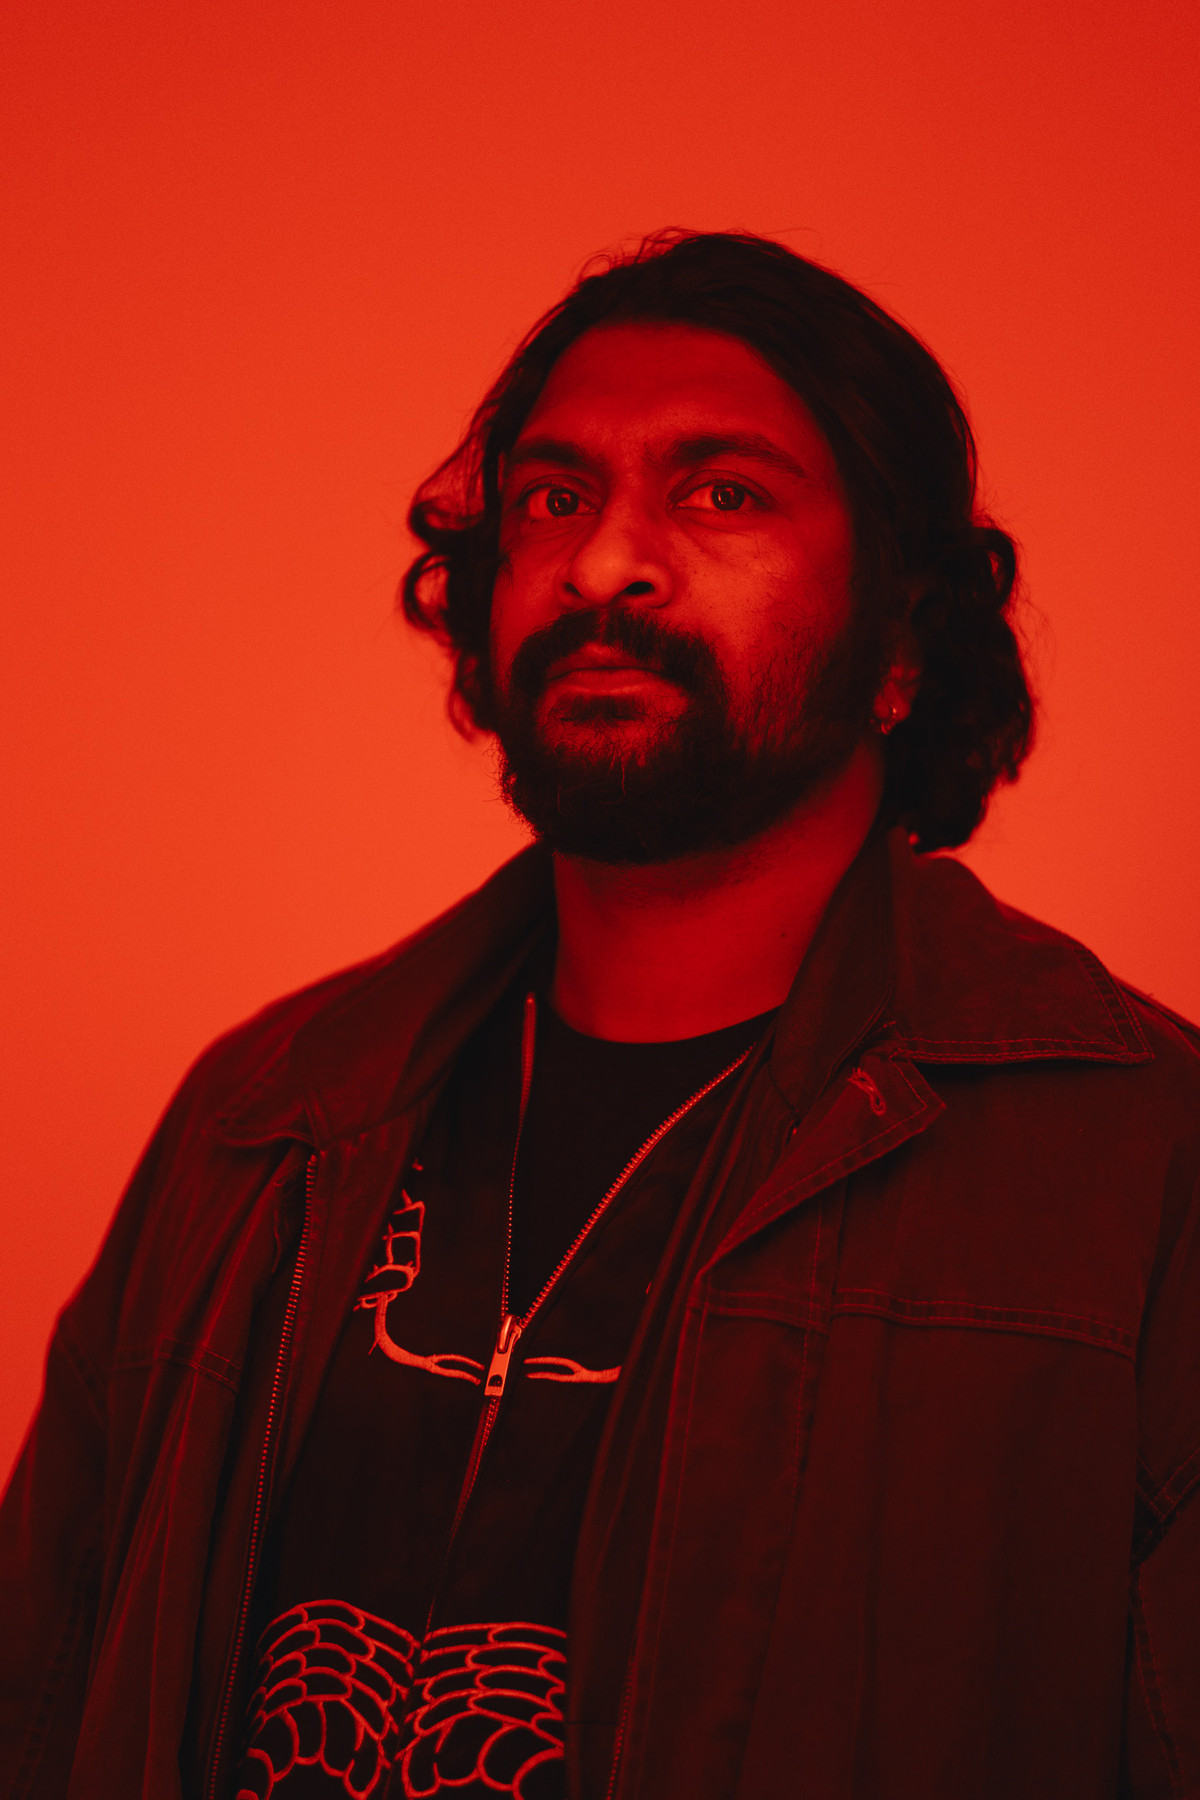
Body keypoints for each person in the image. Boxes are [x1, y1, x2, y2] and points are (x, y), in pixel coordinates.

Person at [1, 230, 1197, 1800]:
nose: (604, 564)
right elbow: (42, 1690)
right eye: (554, 500)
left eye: (723, 495)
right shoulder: (265, 1114)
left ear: (903, 642)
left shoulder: (1136, 1161)